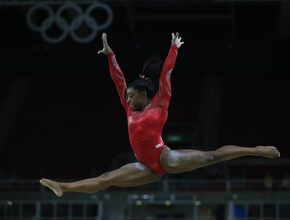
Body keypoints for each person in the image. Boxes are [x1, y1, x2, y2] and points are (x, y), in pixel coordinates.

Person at [40, 32, 280, 197]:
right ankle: (63, 187)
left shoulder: (159, 104)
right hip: (146, 168)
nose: (128, 99)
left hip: (164, 157)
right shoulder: (129, 108)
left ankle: (256, 150)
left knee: (211, 157)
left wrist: (173, 49)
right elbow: (118, 80)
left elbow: (166, 74)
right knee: (107, 178)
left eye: (132, 96)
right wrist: (111, 56)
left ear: (144, 95)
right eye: (128, 96)